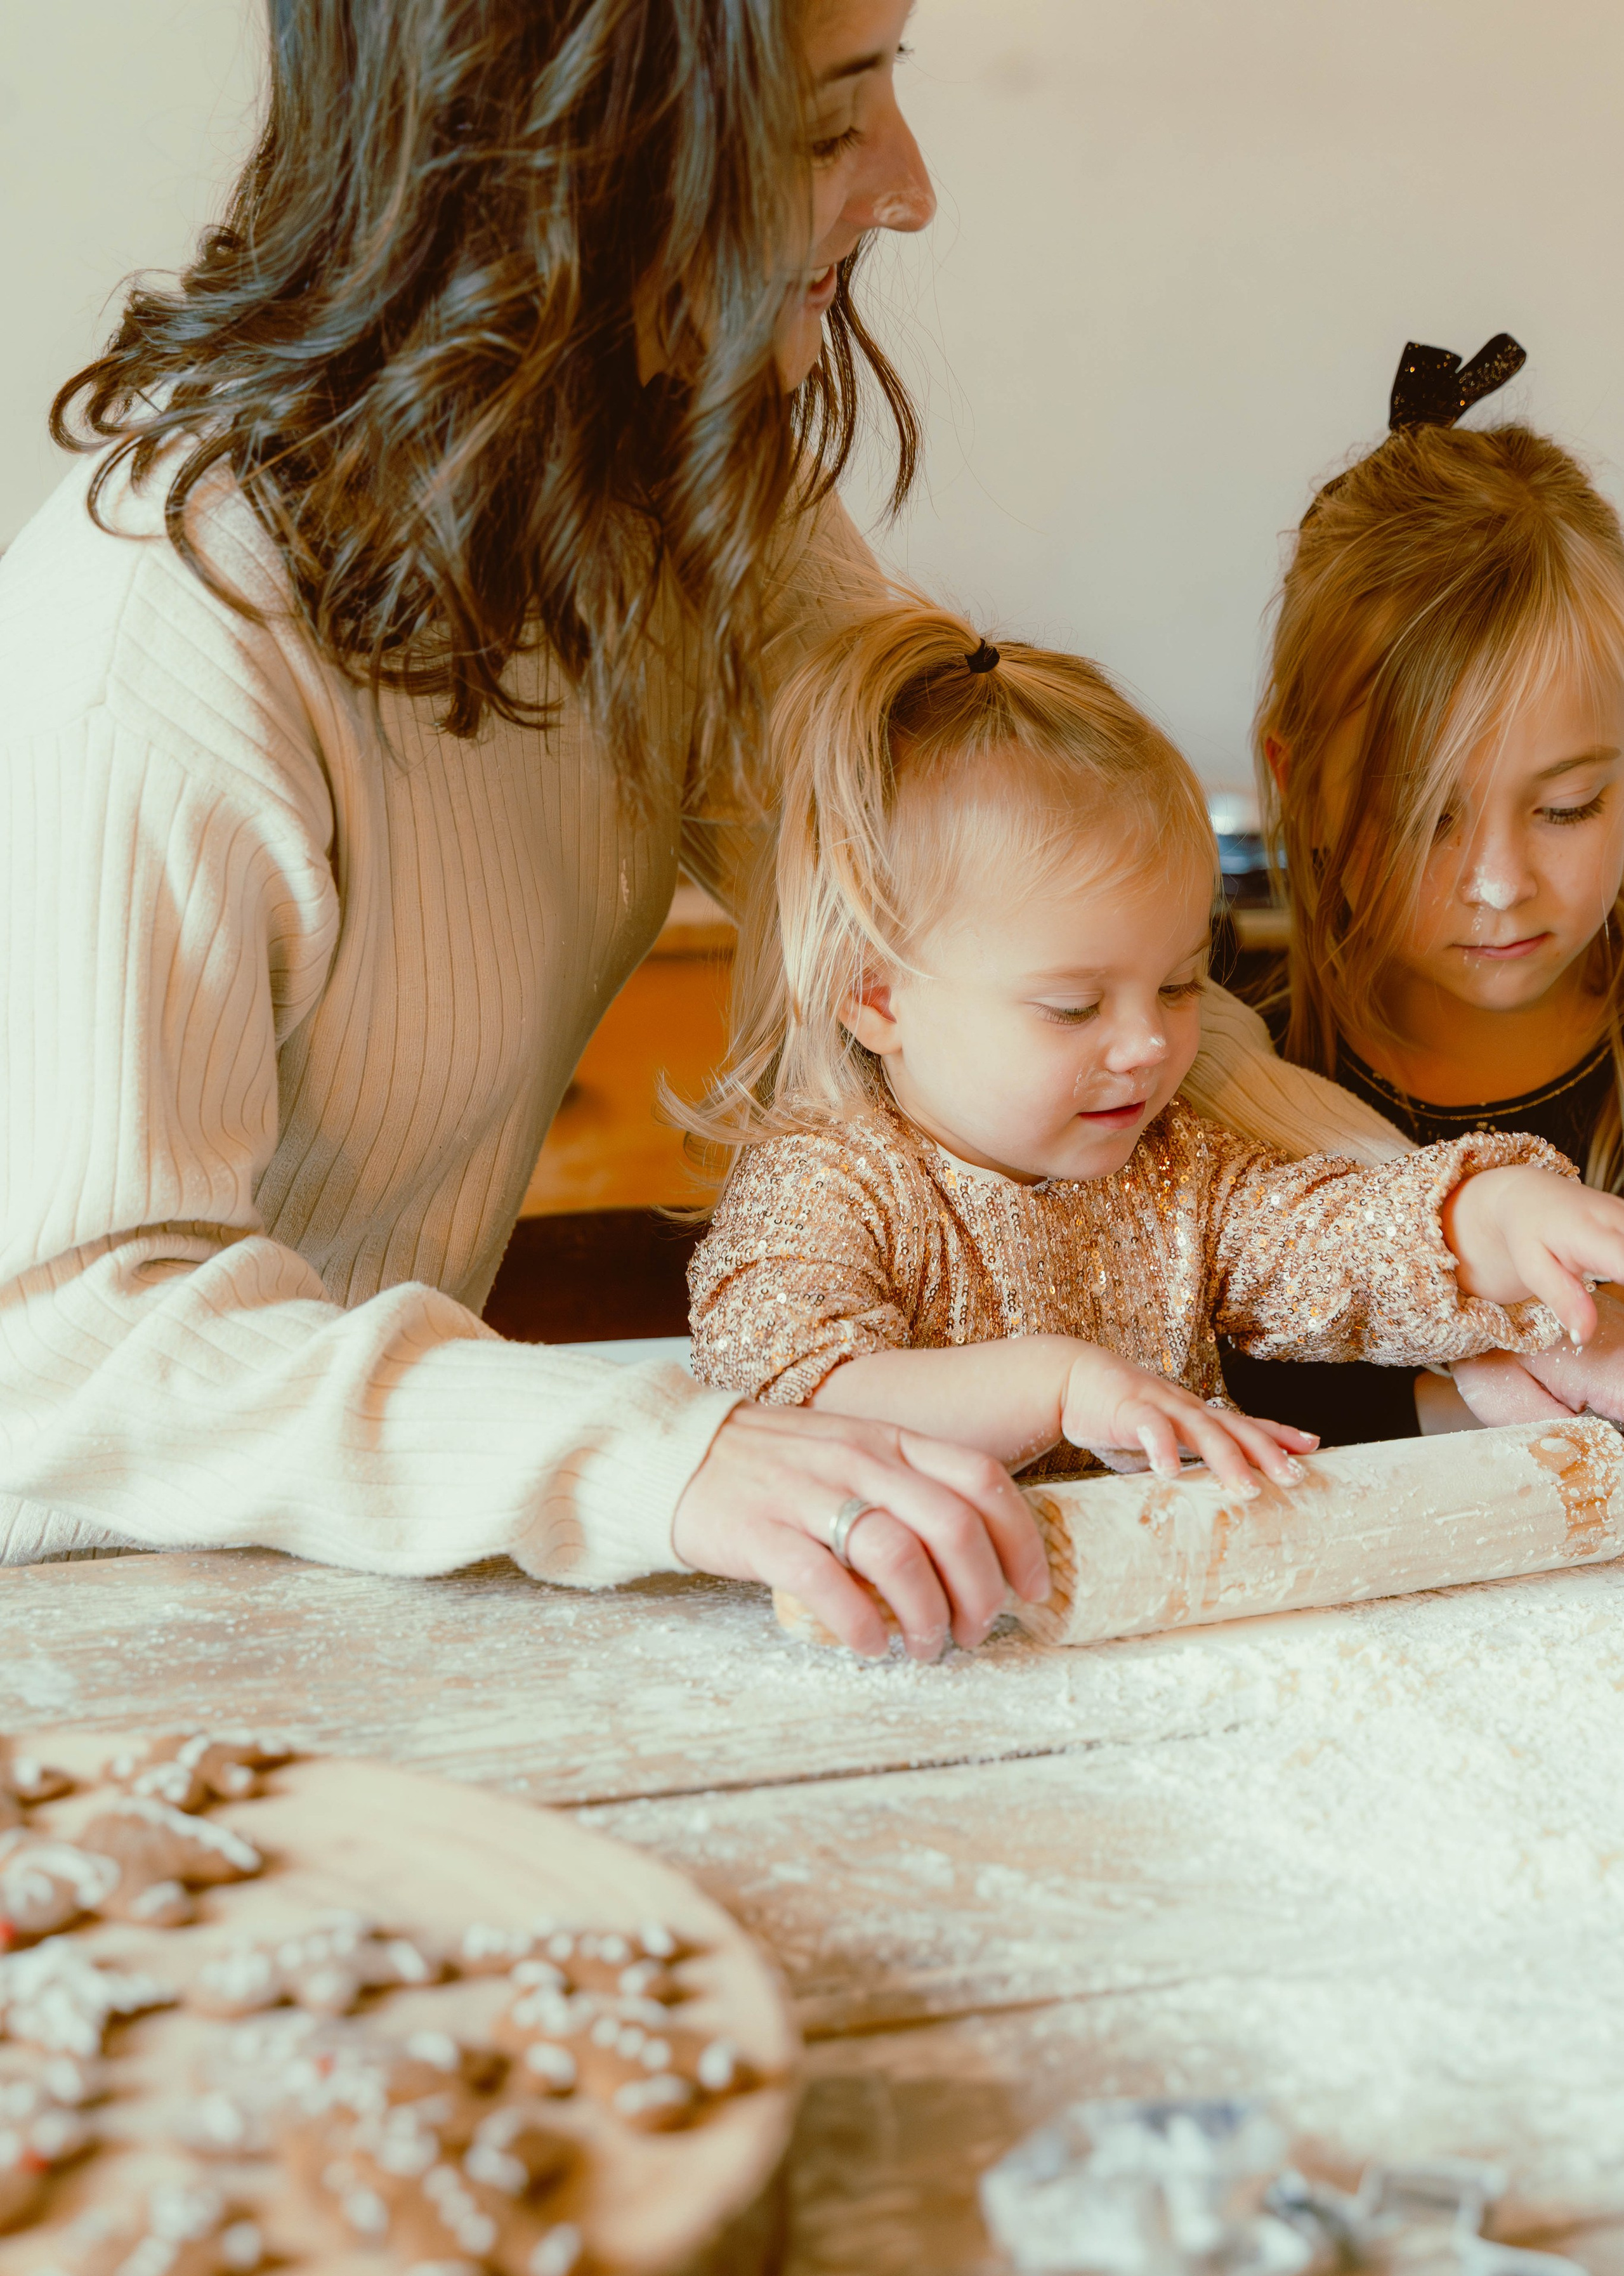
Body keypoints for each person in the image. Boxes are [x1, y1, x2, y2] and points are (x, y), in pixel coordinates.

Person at [0, 3, 1588, 1664]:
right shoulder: (157, 641)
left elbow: (1013, 942)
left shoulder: (670, 483)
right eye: (834, 121)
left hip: (357, 1592)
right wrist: (663, 1458)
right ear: (563, 141)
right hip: (86, 1627)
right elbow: (73, 1354)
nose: (907, 189)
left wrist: (1475, 1255)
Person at [685, 603, 1624, 1510]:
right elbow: (782, 1399)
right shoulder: (825, 1188)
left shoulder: (1176, 1171)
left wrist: (1490, 1215)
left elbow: (1338, 1240)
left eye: (1179, 986)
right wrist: (1059, 1390)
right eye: (1074, 1006)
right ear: (876, 994)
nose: (1148, 1046)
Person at [1219, 337, 1624, 1445]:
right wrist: (1449, 1395)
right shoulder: (1226, 1092)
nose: (1499, 884)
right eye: (1423, 816)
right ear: (1299, 785)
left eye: (1569, 807)